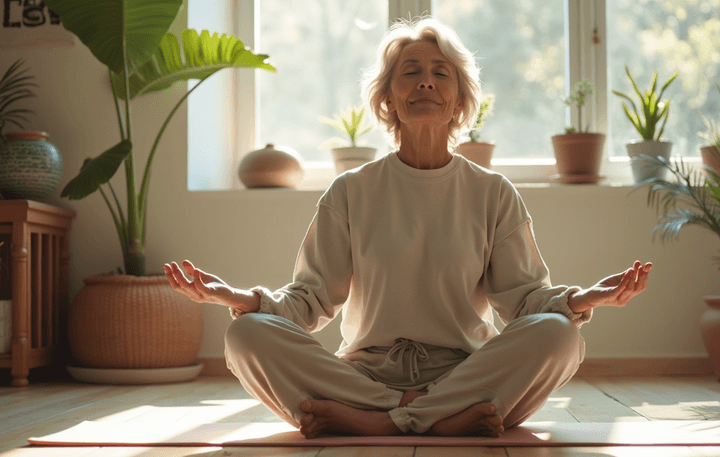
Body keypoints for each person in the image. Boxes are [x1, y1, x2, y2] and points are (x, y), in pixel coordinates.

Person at [164, 17, 652, 439]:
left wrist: (583, 299)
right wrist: (239, 299)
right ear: (387, 98)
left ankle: (377, 421)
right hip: (365, 377)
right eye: (411, 72)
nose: (426, 83)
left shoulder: (493, 192)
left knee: (560, 336)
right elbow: (308, 302)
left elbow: (524, 303)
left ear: (459, 99)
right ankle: (431, 418)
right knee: (246, 336)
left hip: (463, 374)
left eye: (441, 73)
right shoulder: (350, 191)